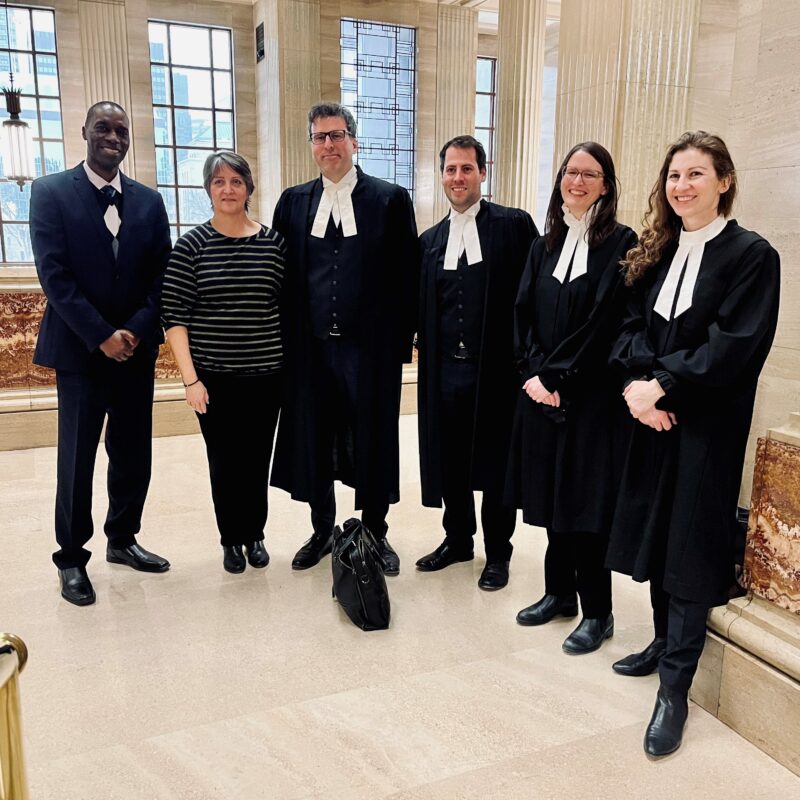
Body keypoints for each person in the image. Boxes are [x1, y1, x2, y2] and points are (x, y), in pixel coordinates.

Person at [607, 131, 780, 756]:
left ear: (724, 181)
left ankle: (675, 688)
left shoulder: (751, 256)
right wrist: (638, 388)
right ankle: (660, 642)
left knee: (689, 545)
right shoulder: (659, 251)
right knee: (655, 533)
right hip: (653, 419)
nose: (682, 186)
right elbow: (628, 329)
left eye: (696, 174)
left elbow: (733, 347)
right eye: (674, 175)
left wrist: (663, 386)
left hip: (705, 426)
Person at [30, 101, 172, 606]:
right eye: (103, 128)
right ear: (85, 133)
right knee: (77, 457)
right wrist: (101, 335)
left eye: (121, 130)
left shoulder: (150, 203)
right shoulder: (49, 193)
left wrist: (132, 330)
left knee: (133, 452)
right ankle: (71, 558)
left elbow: (162, 276)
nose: (113, 137)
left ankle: (123, 538)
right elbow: (55, 276)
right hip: (80, 351)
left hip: (136, 351)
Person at [270, 101, 419, 575]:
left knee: (373, 437)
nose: (328, 145)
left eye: (337, 135)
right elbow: (282, 279)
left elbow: (406, 277)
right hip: (311, 350)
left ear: (354, 141)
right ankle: (322, 529)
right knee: (316, 437)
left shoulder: (389, 200)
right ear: (312, 146)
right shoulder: (293, 202)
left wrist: (399, 347)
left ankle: (375, 530)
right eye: (319, 137)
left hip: (369, 351)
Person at [506, 143, 637, 652]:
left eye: (590, 174)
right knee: (551, 500)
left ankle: (598, 613)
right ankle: (558, 594)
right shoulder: (544, 245)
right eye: (570, 172)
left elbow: (603, 325)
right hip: (541, 395)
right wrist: (534, 373)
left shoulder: (622, 245)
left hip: (588, 400)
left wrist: (560, 378)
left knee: (585, 509)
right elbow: (522, 313)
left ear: (606, 185)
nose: (577, 182)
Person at [415, 135, 537, 590]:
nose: (458, 178)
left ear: (483, 172)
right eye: (451, 169)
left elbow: (533, 298)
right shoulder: (430, 241)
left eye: (467, 168)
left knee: (494, 463)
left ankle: (498, 553)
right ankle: (457, 540)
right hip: (444, 372)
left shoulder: (514, 226)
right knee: (451, 460)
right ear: (442, 176)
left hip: (497, 373)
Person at [161, 152, 285, 574]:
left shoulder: (273, 243)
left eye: (236, 181)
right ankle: (232, 538)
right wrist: (190, 381)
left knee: (256, 458)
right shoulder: (191, 246)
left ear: (249, 188)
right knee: (225, 460)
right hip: (213, 377)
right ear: (208, 190)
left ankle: (256, 534)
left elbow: (285, 307)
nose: (228, 189)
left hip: (267, 375)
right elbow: (174, 317)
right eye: (219, 182)